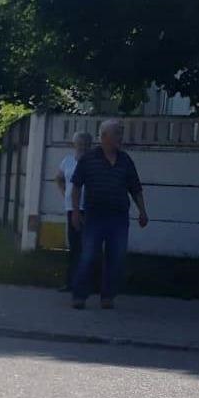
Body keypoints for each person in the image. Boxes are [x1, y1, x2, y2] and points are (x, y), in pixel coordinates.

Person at [70, 120, 149, 310]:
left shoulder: (125, 160)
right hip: (95, 216)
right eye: (117, 134)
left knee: (116, 257)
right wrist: (75, 212)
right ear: (105, 136)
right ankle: (79, 295)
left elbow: (135, 188)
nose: (120, 138)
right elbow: (76, 186)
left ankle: (107, 296)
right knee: (89, 255)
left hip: (118, 217)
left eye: (121, 133)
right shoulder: (89, 159)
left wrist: (142, 211)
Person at [55, 132, 93, 292]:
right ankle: (71, 282)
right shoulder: (68, 160)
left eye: (85, 143)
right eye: (79, 143)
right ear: (74, 144)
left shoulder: (93, 161)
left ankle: (87, 283)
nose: (82, 146)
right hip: (71, 208)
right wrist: (65, 193)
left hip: (88, 208)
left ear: (89, 145)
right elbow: (59, 177)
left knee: (87, 246)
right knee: (74, 246)